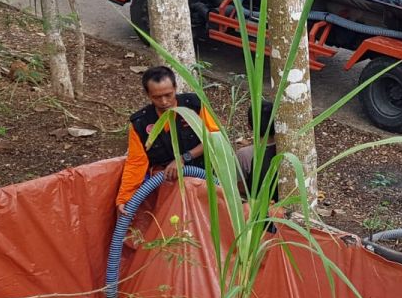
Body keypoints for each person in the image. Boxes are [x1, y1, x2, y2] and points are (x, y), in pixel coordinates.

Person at [115, 66, 220, 216]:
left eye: (168, 95)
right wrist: (124, 197)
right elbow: (136, 162)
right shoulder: (140, 123)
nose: (164, 102)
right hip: (166, 185)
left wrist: (184, 158)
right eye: (157, 97)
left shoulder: (194, 106)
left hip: (203, 178)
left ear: (175, 88)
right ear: (147, 95)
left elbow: (215, 138)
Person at [236, 100, 279, 200]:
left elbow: (241, 187)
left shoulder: (244, 154)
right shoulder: (289, 150)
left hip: (256, 204)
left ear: (249, 126)